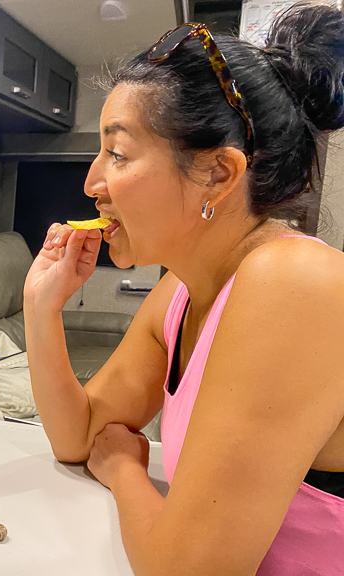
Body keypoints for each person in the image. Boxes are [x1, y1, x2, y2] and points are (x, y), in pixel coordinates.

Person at [23, 3, 344, 575]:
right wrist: (41, 308)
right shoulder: (178, 293)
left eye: (117, 154)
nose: (92, 182)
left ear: (218, 173)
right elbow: (81, 438)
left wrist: (124, 469)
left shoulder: (295, 281)